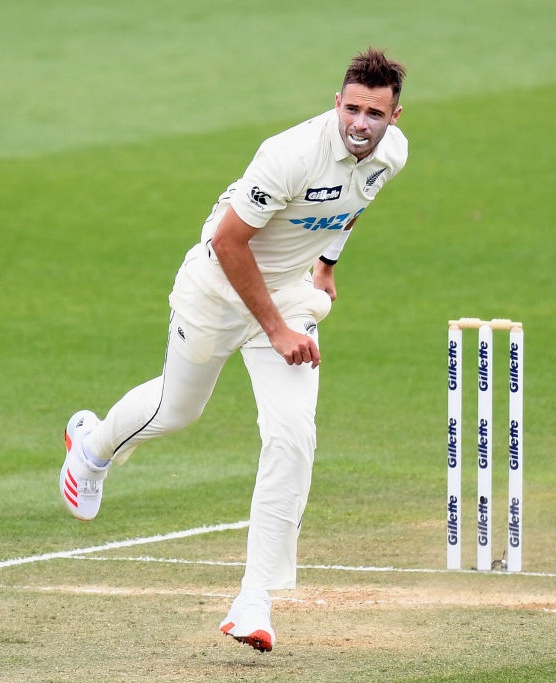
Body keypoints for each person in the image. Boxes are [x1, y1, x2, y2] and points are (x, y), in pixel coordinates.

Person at [60, 48, 407, 652]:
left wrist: (326, 264)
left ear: (394, 117)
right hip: (217, 291)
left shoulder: (390, 156)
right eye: (352, 108)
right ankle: (91, 446)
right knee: (177, 412)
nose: (360, 123)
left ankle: (254, 601)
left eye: (374, 113)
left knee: (293, 436)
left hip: (290, 298)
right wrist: (273, 328)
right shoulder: (287, 155)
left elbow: (349, 208)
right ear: (337, 104)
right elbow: (228, 242)